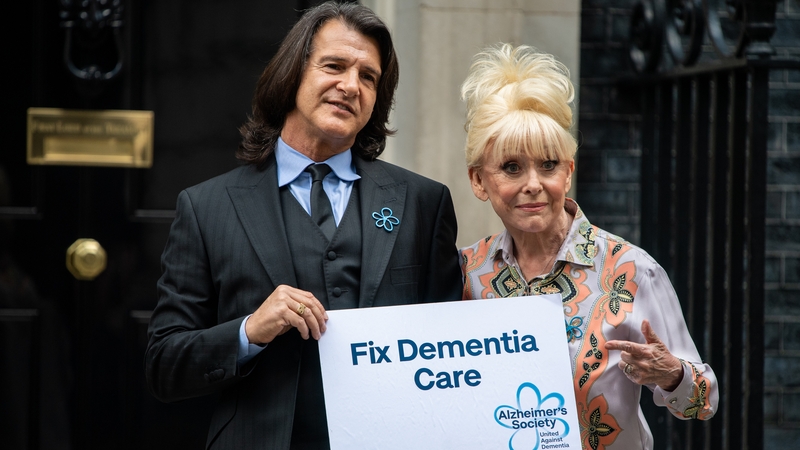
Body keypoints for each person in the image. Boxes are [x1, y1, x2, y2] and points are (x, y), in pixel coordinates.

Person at [145, 3, 462, 449]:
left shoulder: (424, 204)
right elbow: (164, 364)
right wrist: (249, 329)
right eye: (334, 66)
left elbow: (453, 353)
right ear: (293, 72)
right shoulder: (206, 207)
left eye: (368, 77)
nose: (350, 86)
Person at [458, 44, 717, 449]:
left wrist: (671, 374)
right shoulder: (465, 272)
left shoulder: (630, 270)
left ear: (569, 172)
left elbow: (703, 402)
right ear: (478, 180)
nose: (533, 183)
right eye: (511, 167)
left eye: (548, 165)